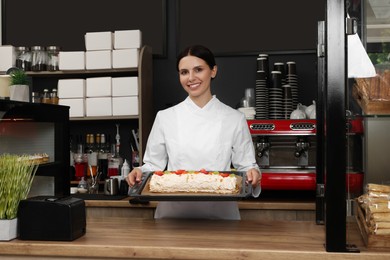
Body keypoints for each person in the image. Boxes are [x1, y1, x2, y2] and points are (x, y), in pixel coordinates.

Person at [126, 45, 261, 220]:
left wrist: (253, 173)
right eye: (184, 72)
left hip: (221, 217)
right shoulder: (165, 117)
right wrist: (139, 172)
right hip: (173, 216)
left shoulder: (234, 118)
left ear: (213, 71)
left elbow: (246, 166)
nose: (191, 78)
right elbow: (153, 166)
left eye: (198, 70)